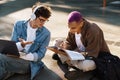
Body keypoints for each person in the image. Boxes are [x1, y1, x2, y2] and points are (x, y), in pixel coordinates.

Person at [0, 2, 51, 80]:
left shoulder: (46, 34)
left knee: (1, 58)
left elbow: (40, 55)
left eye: (45, 21)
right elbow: (12, 45)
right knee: (4, 68)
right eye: (41, 20)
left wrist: (23, 55)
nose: (43, 23)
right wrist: (21, 45)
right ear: (33, 16)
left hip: (29, 63)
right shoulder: (18, 25)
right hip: (13, 58)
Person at [52, 11, 110, 79]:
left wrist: (73, 54)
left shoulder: (93, 30)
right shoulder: (73, 29)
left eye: (73, 28)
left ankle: (67, 62)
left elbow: (92, 54)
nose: (70, 30)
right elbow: (69, 42)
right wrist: (65, 45)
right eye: (69, 27)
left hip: (95, 57)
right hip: (77, 54)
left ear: (81, 24)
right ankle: (70, 63)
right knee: (57, 42)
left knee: (87, 65)